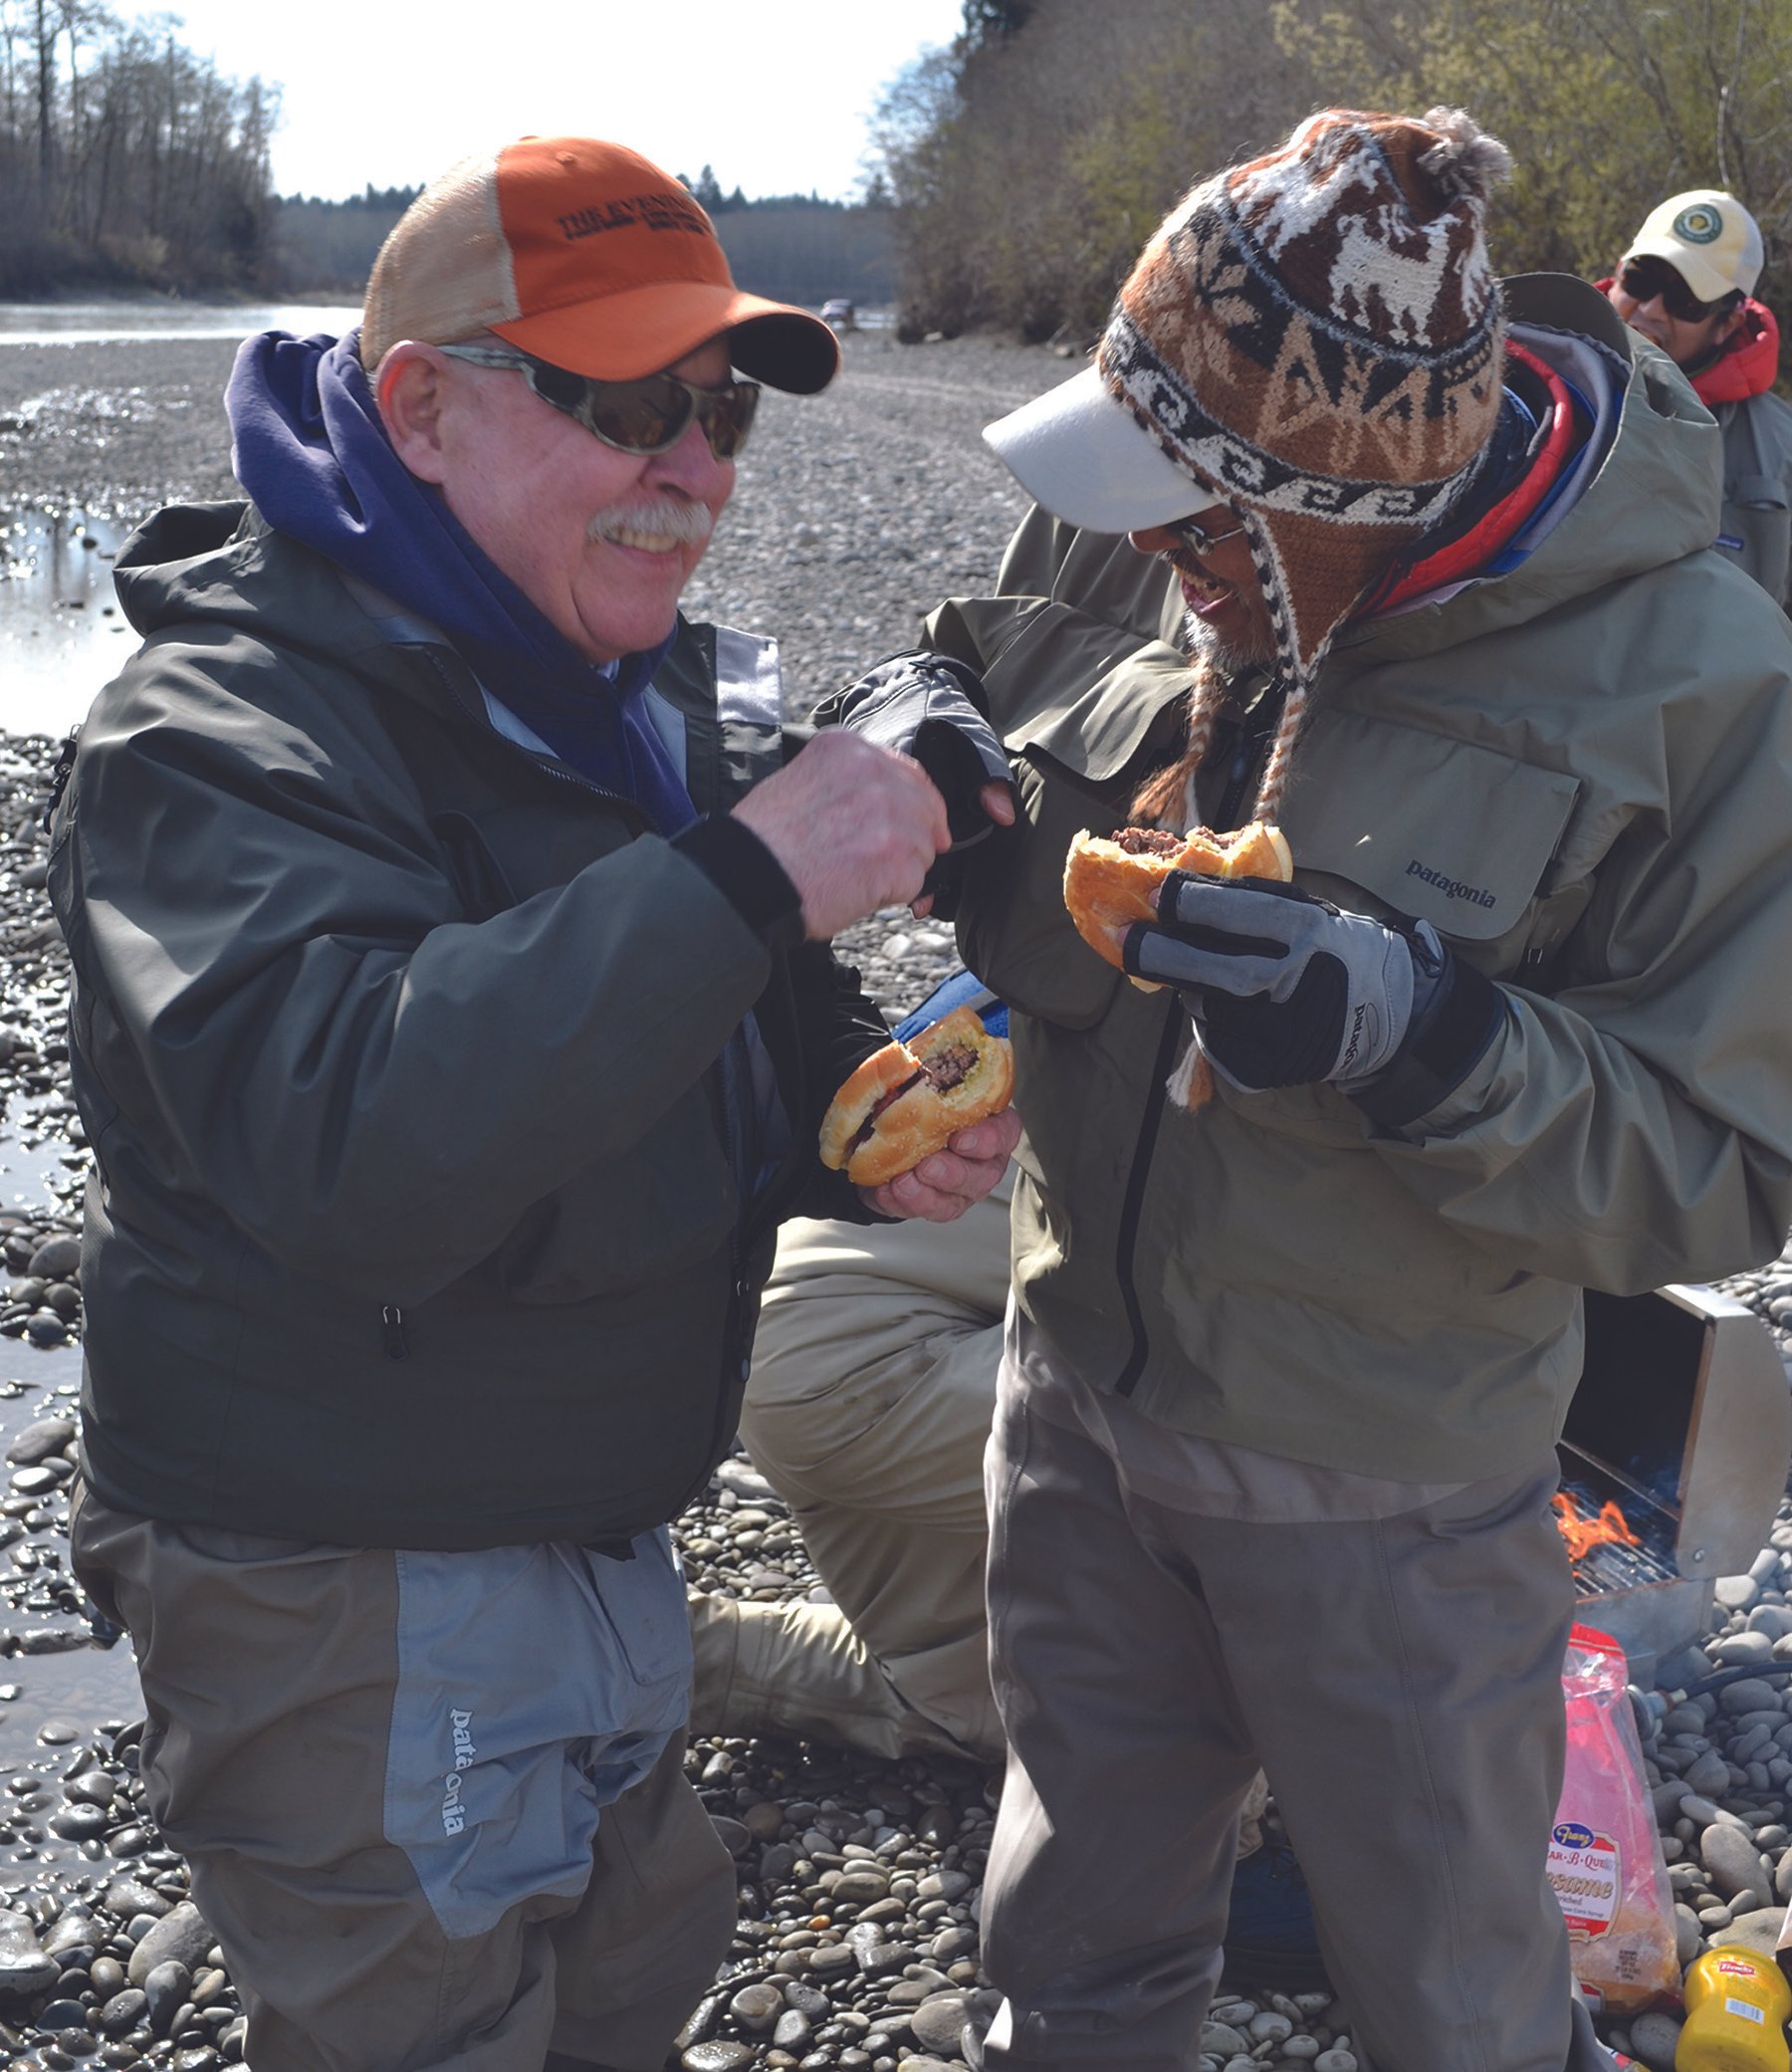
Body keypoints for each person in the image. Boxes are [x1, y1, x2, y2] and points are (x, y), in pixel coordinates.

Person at [821, 106, 1792, 2072]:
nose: (1155, 553)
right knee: (1071, 1933)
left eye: (1200, 521)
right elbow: (983, 661)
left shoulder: (1702, 685)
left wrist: (1422, 1034)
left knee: (1452, 1992)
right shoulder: (1158, 493)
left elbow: (1727, 1165)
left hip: (1392, 1493)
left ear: (1349, 489)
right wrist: (911, 720)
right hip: (1073, 1389)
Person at [46, 134, 1017, 2072]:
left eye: (721, 409)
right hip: (340, 1570)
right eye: (626, 399)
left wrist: (848, 1104)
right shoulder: (207, 734)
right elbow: (362, 1143)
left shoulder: (600, 674)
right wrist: (755, 867)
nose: (696, 470)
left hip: (586, 1521)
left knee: (636, 1967)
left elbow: (713, 999)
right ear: (421, 405)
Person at [1603, 188, 1792, 604]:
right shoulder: (1530, 391)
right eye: (1640, 278)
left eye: (1686, 300)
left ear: (1728, 323)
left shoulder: (1782, 450)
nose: (1650, 309)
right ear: (1617, 272)